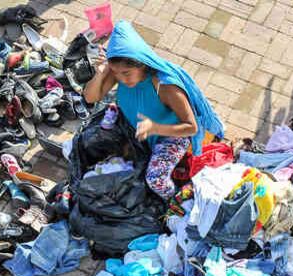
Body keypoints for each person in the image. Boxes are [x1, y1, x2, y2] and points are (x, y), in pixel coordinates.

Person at [82, 20, 224, 199]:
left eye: (126, 73)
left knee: (155, 179)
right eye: (116, 72)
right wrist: (100, 74)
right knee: (90, 144)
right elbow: (90, 97)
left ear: (141, 64)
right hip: (139, 129)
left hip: (171, 136)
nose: (122, 79)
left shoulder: (165, 85)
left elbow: (191, 128)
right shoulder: (118, 71)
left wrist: (155, 128)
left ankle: (174, 202)